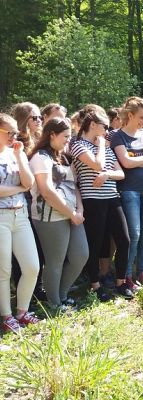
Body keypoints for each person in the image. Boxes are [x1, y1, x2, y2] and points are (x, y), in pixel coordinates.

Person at [69, 106, 133, 300]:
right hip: (92, 200)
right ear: (93, 125)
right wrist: (101, 147)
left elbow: (120, 173)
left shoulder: (104, 148)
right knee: (94, 244)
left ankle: (121, 282)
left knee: (124, 240)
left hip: (112, 198)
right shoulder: (78, 145)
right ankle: (95, 285)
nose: (107, 130)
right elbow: (96, 164)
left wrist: (106, 174)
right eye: (104, 126)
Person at [29, 117, 89, 308]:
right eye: (65, 136)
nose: (68, 141)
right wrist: (71, 213)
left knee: (81, 255)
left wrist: (78, 210)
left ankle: (61, 294)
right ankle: (54, 304)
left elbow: (73, 187)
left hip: (71, 214)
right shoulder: (41, 157)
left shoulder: (63, 157)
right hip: (50, 217)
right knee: (55, 262)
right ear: (52, 134)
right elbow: (46, 191)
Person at [110, 96, 143, 288]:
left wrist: (138, 159)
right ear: (130, 115)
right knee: (134, 233)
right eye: (141, 117)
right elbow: (125, 163)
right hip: (129, 190)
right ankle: (127, 274)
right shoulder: (118, 136)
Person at [0, 113, 40, 333]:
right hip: (1, 217)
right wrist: (18, 189)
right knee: (3, 270)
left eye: (16, 132)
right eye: (9, 132)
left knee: (32, 266)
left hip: (20, 215)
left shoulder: (16, 152)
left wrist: (18, 156)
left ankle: (22, 312)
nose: (14, 136)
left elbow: (29, 182)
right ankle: (6, 317)